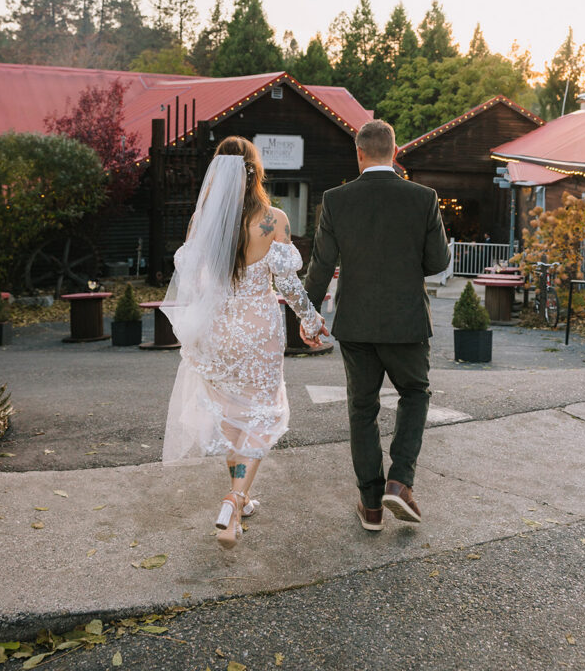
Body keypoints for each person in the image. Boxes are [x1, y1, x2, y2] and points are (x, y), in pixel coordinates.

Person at [161, 136, 327, 549]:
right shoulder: (273, 219)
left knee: (231, 413)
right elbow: (288, 284)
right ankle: (234, 502)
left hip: (216, 328)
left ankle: (242, 496)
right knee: (262, 412)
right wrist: (311, 319)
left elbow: (195, 282)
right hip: (258, 329)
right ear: (256, 171)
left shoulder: (201, 223)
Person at [304, 119, 449, 532]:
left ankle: (371, 506)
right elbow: (437, 263)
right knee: (415, 394)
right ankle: (400, 481)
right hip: (407, 322)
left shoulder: (336, 200)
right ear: (396, 151)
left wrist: (308, 315)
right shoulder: (423, 198)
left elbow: (321, 266)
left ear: (359, 153)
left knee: (362, 409)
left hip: (356, 323)